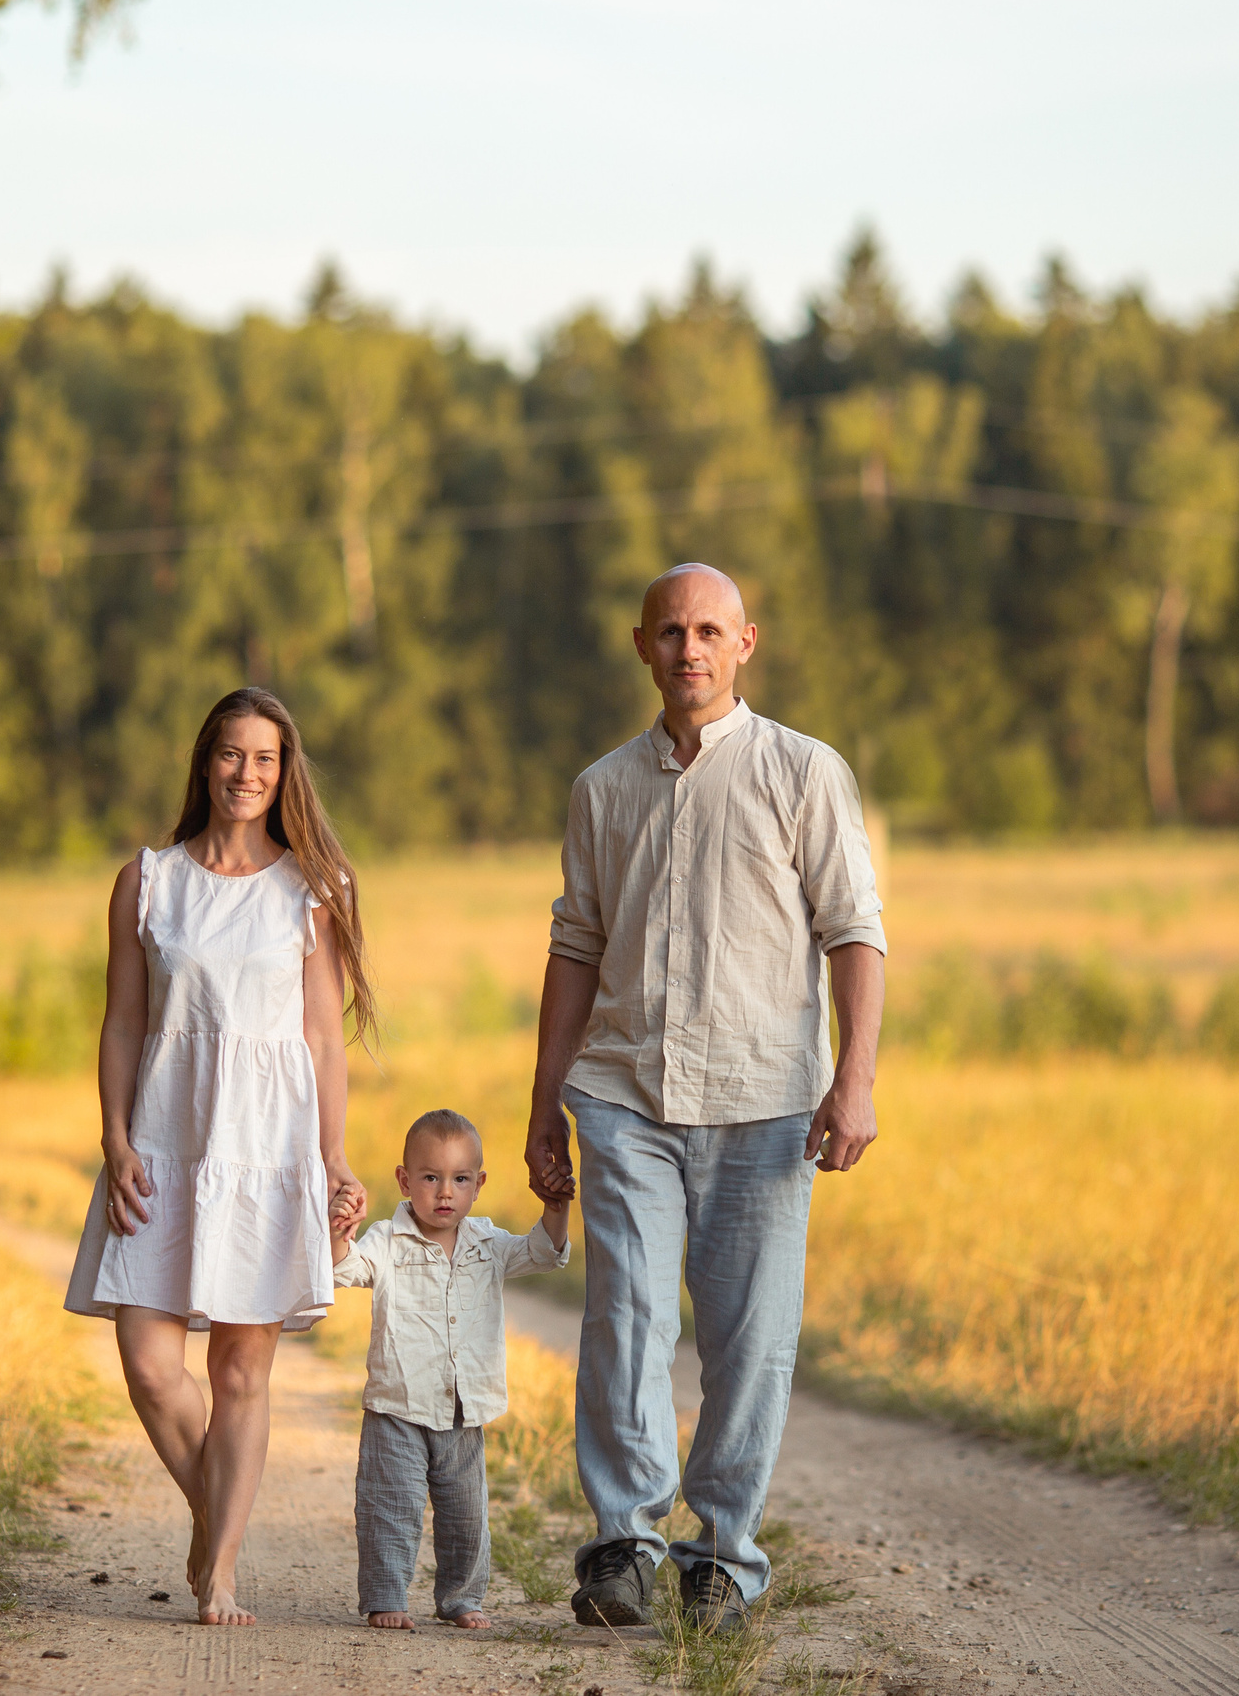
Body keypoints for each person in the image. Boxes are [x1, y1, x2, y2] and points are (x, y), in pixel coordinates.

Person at [523, 563, 887, 1636]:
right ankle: (624, 1547)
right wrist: (546, 1103)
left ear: (745, 643)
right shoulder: (602, 789)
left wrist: (852, 1079)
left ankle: (720, 1555)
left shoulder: (802, 772)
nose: (689, 648)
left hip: (766, 1100)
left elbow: (853, 930)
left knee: (750, 1339)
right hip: (626, 1091)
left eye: (709, 631)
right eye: (670, 630)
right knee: (625, 1317)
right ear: (640, 644)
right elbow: (575, 945)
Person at [64, 687, 374, 1626]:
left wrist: (331, 1158)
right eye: (233, 754)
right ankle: (214, 1514)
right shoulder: (148, 880)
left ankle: (222, 1570)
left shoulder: (309, 890)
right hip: (165, 1137)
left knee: (243, 1371)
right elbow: (124, 1020)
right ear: (206, 761)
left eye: (267, 759)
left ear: (286, 773)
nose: (248, 773)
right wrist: (115, 1138)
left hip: (270, 1147)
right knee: (152, 1366)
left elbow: (323, 1038)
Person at [330, 1109, 572, 1632]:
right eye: (431, 1177)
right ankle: (386, 1596)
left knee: (466, 1515)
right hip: (399, 1404)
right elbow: (342, 1270)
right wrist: (338, 1232)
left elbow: (544, 1253)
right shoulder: (386, 1241)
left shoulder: (488, 1243)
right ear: (404, 1180)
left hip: (465, 1409)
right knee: (390, 1509)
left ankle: (461, 1598)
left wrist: (555, 1209)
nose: (445, 1192)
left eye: (460, 1179)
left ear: (478, 1185)